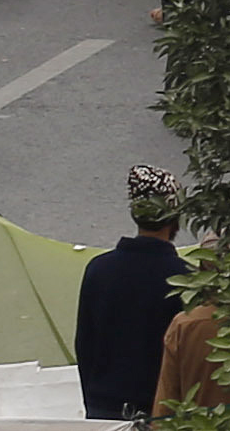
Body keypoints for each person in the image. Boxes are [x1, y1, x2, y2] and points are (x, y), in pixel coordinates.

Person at [74, 167, 190, 422]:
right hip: (161, 413)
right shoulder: (185, 278)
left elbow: (85, 345)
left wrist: (93, 403)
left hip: (103, 409)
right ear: (174, 218)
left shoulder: (98, 269)